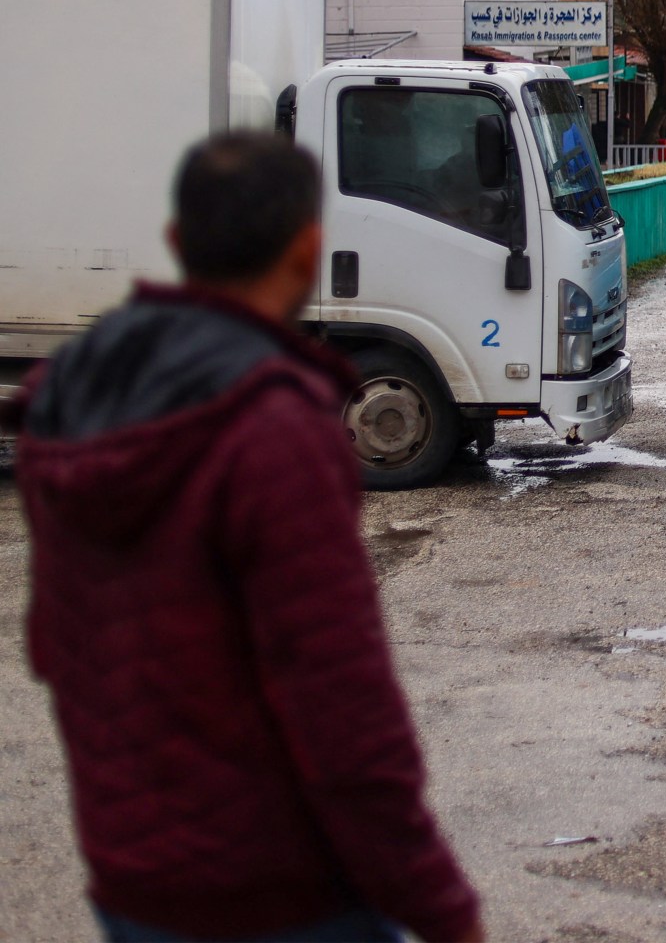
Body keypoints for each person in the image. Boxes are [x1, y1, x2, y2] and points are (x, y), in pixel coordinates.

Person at [4, 134, 482, 943]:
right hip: (277, 896)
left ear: (179, 244)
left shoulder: (76, 391)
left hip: (130, 878)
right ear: (306, 250)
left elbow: (53, 643)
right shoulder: (277, 429)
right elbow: (343, 714)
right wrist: (439, 905)